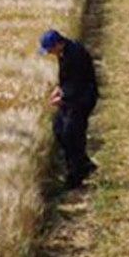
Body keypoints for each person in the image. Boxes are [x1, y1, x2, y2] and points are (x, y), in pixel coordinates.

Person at [40, 29, 99, 189]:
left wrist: (62, 98)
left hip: (82, 99)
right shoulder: (64, 52)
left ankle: (76, 175)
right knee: (59, 128)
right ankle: (83, 163)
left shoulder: (75, 55)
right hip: (73, 97)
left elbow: (79, 83)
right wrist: (59, 88)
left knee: (72, 135)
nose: (49, 53)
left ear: (58, 44)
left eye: (50, 49)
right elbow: (66, 77)